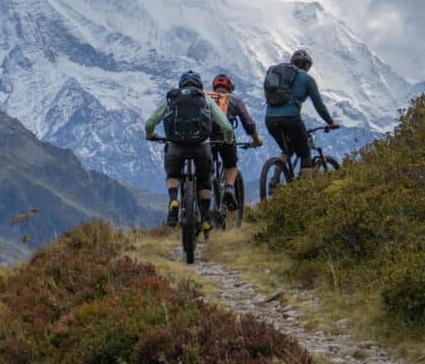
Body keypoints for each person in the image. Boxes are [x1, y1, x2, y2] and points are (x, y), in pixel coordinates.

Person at [145, 70, 236, 231]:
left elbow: (150, 122)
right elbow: (226, 126)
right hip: (201, 146)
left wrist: (151, 135)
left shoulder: (172, 99)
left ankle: (174, 200)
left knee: (172, 175)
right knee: (205, 180)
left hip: (176, 145)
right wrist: (228, 140)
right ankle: (206, 217)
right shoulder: (204, 99)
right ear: (200, 86)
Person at [263, 50, 340, 178]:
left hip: (270, 119)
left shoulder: (280, 76)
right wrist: (330, 122)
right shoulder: (307, 79)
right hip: (291, 119)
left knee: (287, 150)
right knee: (305, 154)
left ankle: (273, 181)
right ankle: (305, 193)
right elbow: (319, 106)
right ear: (307, 66)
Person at [205, 73, 264, 208]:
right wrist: (256, 140)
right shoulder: (235, 100)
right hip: (226, 138)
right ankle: (229, 188)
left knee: (205, 168)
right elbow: (249, 124)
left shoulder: (205, 98)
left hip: (206, 139)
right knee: (231, 165)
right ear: (230, 87)